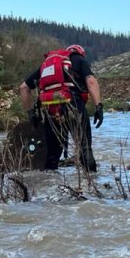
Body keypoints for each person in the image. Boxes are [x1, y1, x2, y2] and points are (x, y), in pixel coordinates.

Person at [19, 43, 103, 171]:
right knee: (84, 148)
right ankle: (90, 185)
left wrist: (31, 114)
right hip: (73, 107)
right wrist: (98, 107)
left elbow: (24, 87)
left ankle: (51, 188)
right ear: (80, 53)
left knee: (52, 156)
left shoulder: (46, 65)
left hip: (51, 111)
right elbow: (91, 82)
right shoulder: (80, 60)